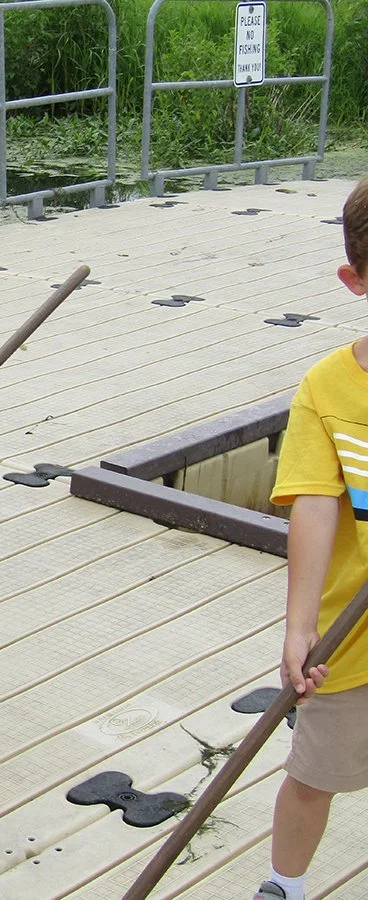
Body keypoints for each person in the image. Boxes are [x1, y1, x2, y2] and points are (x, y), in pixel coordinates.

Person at [254, 175, 368, 900]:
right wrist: (299, 629)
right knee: (313, 775)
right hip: (349, 639)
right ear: (354, 280)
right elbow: (316, 509)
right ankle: (283, 887)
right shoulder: (326, 389)